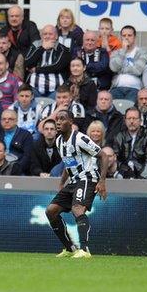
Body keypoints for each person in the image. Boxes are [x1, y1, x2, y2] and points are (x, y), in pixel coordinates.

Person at [45, 109, 109, 258]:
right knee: (51, 211)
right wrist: (62, 183)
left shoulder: (80, 139)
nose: (58, 122)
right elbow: (69, 163)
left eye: (63, 119)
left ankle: (85, 250)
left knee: (77, 209)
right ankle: (70, 248)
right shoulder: (59, 141)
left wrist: (102, 181)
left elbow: (104, 156)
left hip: (88, 178)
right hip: (73, 181)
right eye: (57, 119)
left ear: (71, 122)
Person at [25, 25, 71, 98]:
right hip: (34, 88)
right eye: (45, 34)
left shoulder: (63, 49)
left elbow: (57, 66)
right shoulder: (35, 46)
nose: (47, 36)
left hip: (56, 90)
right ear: (41, 36)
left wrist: (36, 69)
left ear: (56, 36)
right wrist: (42, 48)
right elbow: (27, 62)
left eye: (50, 34)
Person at [111, 107, 147, 179]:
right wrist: (126, 170)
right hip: (123, 172)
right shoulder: (119, 136)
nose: (131, 121)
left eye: (134, 118)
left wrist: (140, 173)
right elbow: (116, 158)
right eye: (129, 118)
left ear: (140, 121)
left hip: (143, 172)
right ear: (125, 121)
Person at [109, 25, 147, 102]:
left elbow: (138, 70)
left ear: (134, 37)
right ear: (121, 37)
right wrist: (123, 50)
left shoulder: (142, 53)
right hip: (117, 88)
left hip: (135, 89)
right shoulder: (115, 53)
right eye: (124, 36)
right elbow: (114, 68)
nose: (126, 38)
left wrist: (121, 69)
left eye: (129, 35)